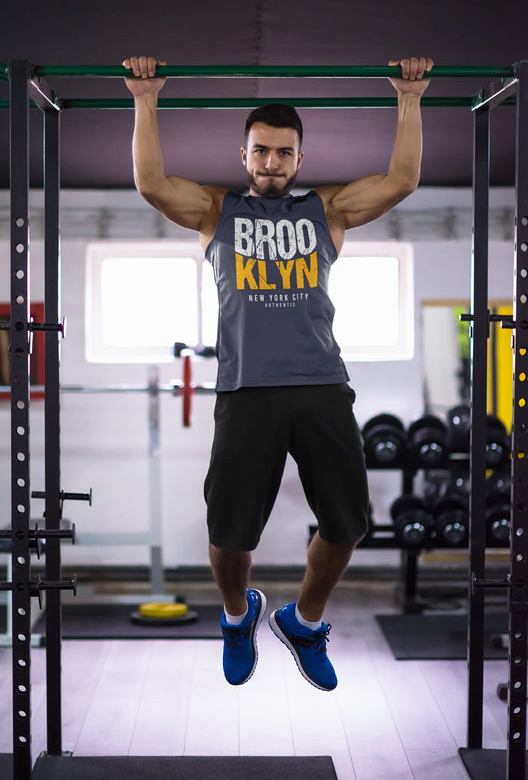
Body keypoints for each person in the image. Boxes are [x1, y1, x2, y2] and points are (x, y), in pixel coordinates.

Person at [123, 55, 433, 691]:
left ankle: (304, 620)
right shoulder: (216, 210)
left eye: (283, 153)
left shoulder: (330, 211)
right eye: (261, 152)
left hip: (321, 384)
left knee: (348, 525)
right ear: (244, 155)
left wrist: (409, 96)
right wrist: (145, 98)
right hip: (245, 391)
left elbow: (402, 179)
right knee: (229, 533)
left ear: (299, 158)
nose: (271, 163)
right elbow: (152, 182)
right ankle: (239, 617)